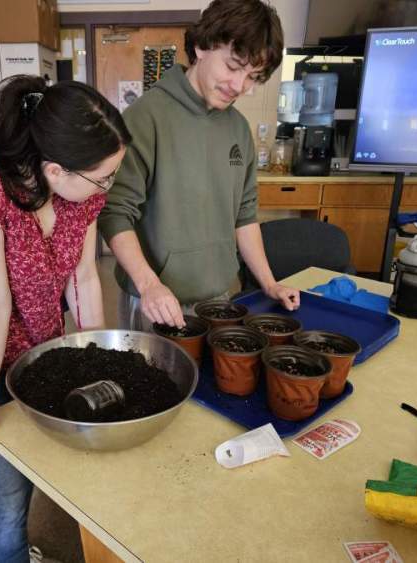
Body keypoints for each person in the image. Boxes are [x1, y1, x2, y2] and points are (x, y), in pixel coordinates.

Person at [0, 75, 131, 562]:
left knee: (34, 472)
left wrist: (92, 358)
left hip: (37, 353)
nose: (108, 187)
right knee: (3, 503)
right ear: (55, 169)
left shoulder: (77, 193)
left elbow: (82, 277)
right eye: (103, 178)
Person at [98, 0, 300, 331]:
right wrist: (149, 285)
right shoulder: (145, 118)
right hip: (155, 301)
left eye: (253, 77)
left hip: (220, 299)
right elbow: (115, 213)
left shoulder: (237, 128)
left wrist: (269, 282)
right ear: (201, 46)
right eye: (233, 66)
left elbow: (244, 216)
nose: (239, 86)